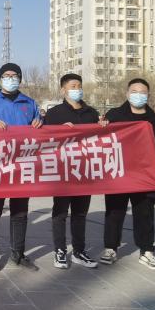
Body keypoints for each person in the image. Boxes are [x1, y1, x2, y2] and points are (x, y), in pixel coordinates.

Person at [0, 62, 43, 272]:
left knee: (20, 212)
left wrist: (40, 123)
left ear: (20, 79)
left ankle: (18, 254)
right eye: (6, 75)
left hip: (22, 164)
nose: (10, 79)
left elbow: (42, 132)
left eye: (14, 76)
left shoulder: (29, 103)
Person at [101, 78, 155, 272]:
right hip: (120, 174)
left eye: (142, 92)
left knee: (144, 214)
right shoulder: (114, 115)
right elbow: (100, 139)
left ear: (148, 95)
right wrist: (102, 125)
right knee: (114, 212)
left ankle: (147, 251)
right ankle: (110, 248)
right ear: (127, 94)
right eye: (134, 91)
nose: (138, 95)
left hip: (146, 176)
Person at [43, 74, 102, 270]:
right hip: (62, 170)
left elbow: (100, 138)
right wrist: (59, 131)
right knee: (60, 212)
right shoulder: (54, 114)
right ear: (63, 90)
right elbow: (44, 140)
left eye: (79, 86)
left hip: (84, 170)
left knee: (80, 213)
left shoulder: (91, 113)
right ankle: (60, 251)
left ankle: (79, 251)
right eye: (73, 86)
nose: (77, 89)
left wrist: (104, 126)